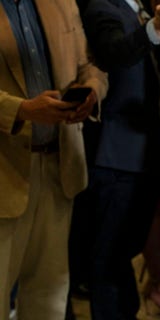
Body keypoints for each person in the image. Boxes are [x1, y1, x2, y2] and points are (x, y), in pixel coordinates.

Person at [72, 0, 160, 319]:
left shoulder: (137, 9)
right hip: (116, 157)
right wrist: (155, 28)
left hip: (141, 154)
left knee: (121, 255)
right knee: (108, 260)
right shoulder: (101, 7)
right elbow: (112, 53)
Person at [0, 0, 108, 319]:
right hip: (4, 174)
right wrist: (21, 110)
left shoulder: (61, 1)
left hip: (59, 169)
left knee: (50, 297)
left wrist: (91, 92)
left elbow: (91, 65)